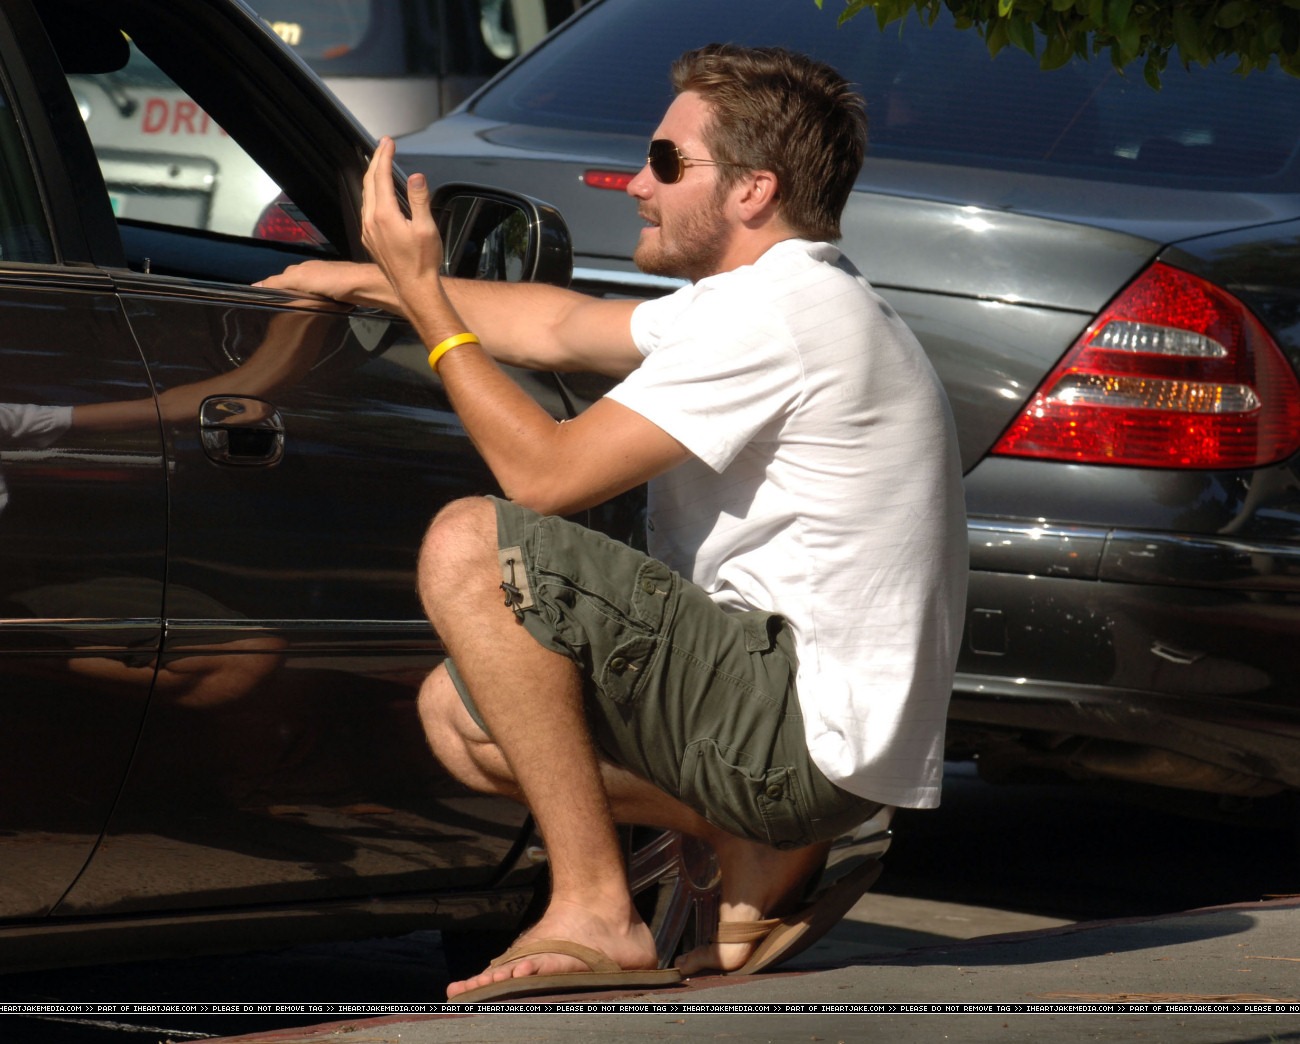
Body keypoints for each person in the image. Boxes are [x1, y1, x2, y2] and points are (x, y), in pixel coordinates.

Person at [259, 43, 967, 1003]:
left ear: (754, 190)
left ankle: (596, 908)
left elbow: (544, 478)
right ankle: (751, 835)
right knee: (460, 715)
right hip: (811, 737)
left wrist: (424, 295)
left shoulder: (778, 318)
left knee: (475, 543)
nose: (637, 183)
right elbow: (556, 325)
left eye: (668, 163)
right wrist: (361, 281)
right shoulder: (785, 298)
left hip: (797, 727)